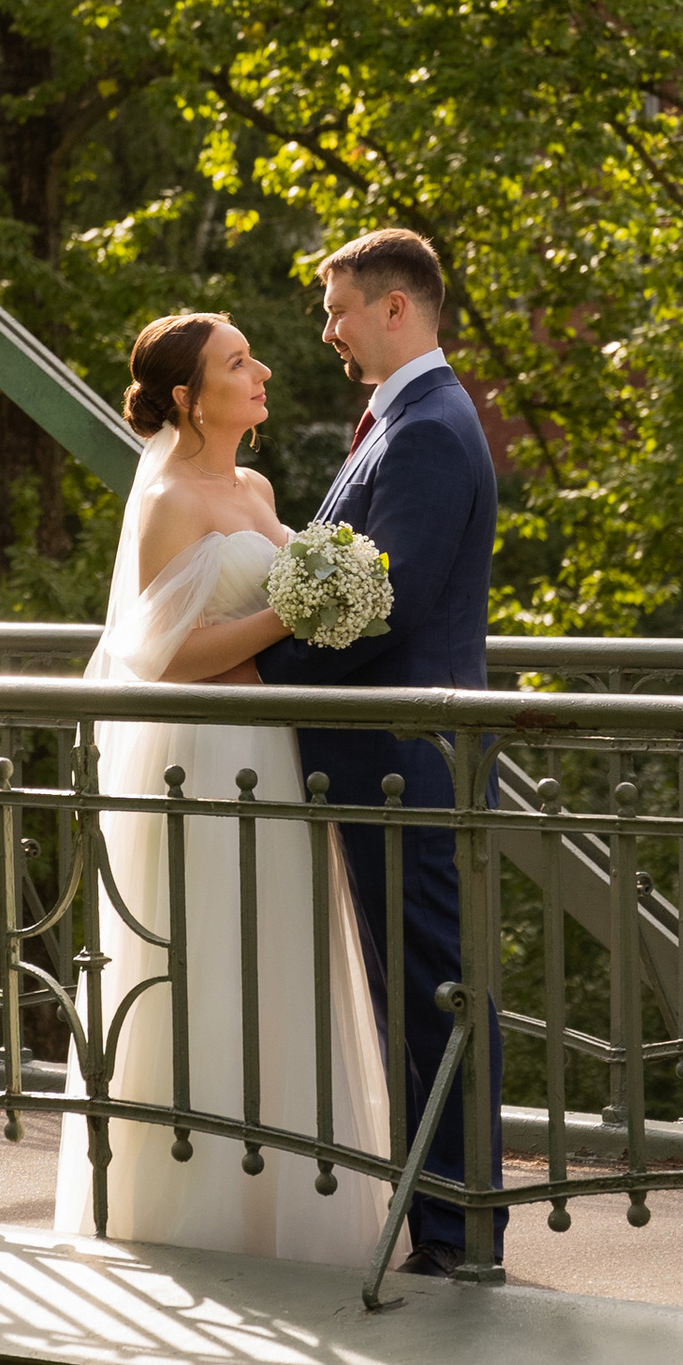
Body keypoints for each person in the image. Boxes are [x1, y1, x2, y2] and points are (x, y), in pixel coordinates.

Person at [50, 311, 392, 1265]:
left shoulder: (256, 487)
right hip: (204, 758)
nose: (262, 370)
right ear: (189, 398)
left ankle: (292, 1199)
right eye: (238, 363)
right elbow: (159, 657)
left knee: (283, 952)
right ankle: (195, 1206)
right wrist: (289, 613)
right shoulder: (167, 500)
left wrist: (332, 598)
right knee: (210, 953)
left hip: (275, 748)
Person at [251, 229, 502, 1279]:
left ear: (394, 307)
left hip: (403, 760)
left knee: (432, 990)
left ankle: (456, 1231)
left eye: (338, 310)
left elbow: (385, 608)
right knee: (413, 989)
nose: (328, 331)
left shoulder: (428, 430)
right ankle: (441, 1213)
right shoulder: (404, 421)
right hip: (382, 759)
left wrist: (257, 674)